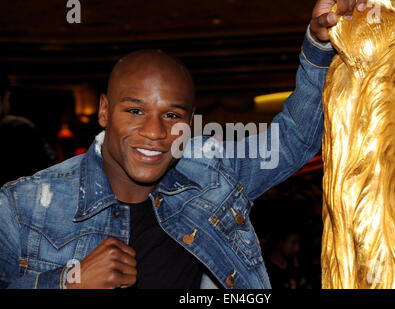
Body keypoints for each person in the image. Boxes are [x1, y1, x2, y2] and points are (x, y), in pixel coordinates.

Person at [0, 0, 368, 289]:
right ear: (104, 111)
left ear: (189, 124)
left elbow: (294, 139)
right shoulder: (21, 204)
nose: (156, 131)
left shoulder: (213, 173)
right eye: (135, 110)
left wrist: (320, 44)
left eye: (172, 115)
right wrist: (66, 282)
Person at [0, 73, 56, 187]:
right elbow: (49, 170)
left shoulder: (20, 127)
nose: (8, 105)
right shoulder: (21, 128)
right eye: (7, 99)